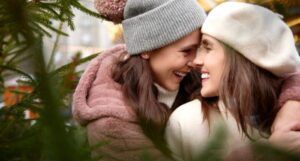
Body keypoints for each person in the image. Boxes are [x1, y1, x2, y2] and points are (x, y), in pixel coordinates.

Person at [72, 0, 207, 160]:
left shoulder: (202, 82)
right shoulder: (112, 124)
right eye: (186, 51)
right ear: (146, 49)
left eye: (200, 49)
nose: (197, 61)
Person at [165, 2, 300, 161]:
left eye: (208, 48)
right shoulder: (187, 122)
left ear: (243, 57)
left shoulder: (292, 117)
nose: (196, 60)